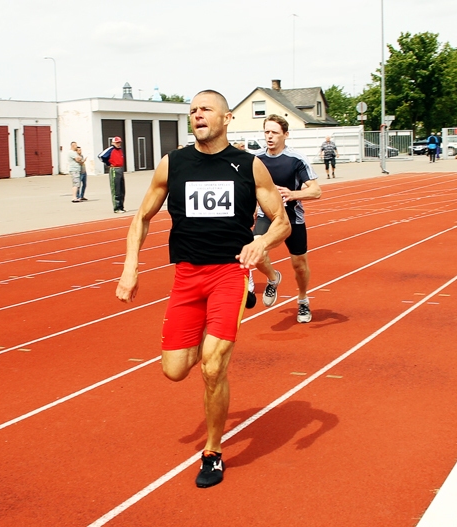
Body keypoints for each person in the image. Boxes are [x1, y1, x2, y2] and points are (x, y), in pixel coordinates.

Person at [115, 90, 290, 488]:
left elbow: (281, 221)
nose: (197, 115)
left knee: (213, 367)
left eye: (206, 109)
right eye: (192, 110)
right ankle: (206, 343)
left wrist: (262, 242)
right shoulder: (173, 163)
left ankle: (212, 452)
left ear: (226, 118)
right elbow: (141, 217)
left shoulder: (249, 166)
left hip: (229, 274)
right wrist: (130, 267)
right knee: (175, 370)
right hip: (187, 277)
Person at [254, 114, 322, 323]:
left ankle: (303, 300)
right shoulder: (256, 159)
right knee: (257, 252)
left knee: (299, 265)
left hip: (293, 218)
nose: (269, 136)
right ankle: (273, 278)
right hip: (267, 216)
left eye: (274, 132)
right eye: (267, 132)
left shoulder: (296, 159)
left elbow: (316, 191)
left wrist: (293, 194)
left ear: (285, 135)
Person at [101, 137, 126, 213]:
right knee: (116, 189)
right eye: (117, 143)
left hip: (120, 169)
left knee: (122, 189)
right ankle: (117, 208)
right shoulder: (110, 149)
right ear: (113, 143)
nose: (118, 144)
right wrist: (108, 163)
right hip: (114, 169)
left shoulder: (120, 150)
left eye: (119, 142)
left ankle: (121, 207)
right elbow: (101, 156)